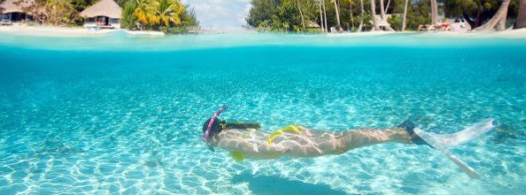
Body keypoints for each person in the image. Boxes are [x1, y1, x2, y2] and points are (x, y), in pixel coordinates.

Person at [201, 106, 495, 178]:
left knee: (341, 144)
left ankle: (402, 132)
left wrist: (276, 151)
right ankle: (401, 133)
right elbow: (252, 140)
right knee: (341, 138)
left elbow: (250, 148)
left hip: (286, 143)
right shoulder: (234, 131)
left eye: (206, 140)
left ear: (211, 135)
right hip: (290, 131)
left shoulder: (225, 141)